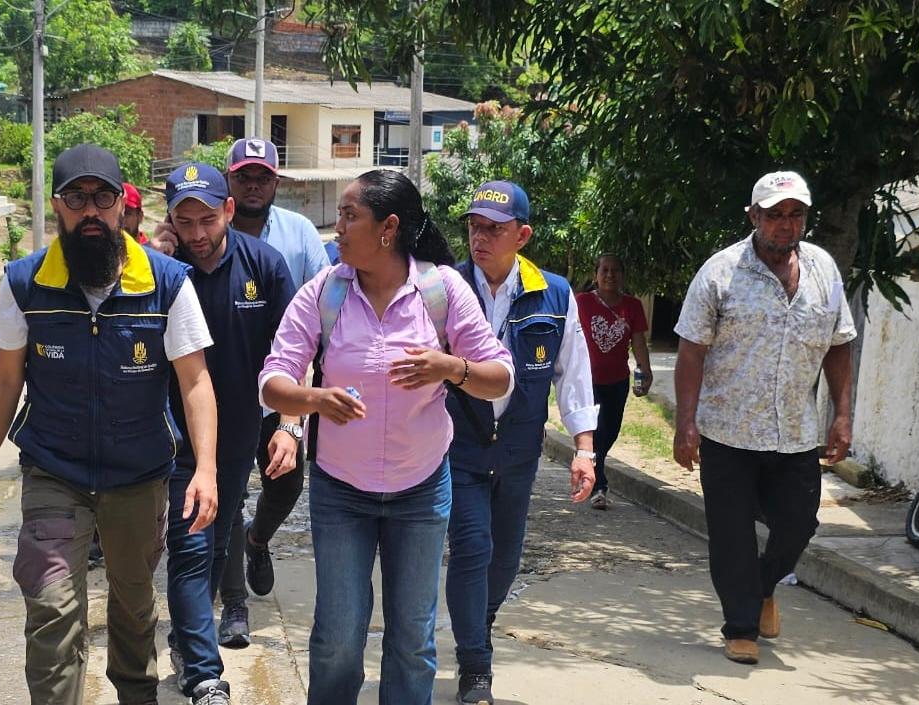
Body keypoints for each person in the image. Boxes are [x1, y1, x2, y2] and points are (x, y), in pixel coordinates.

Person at [0, 144, 221, 705]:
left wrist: (206, 469)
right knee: (51, 607)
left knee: (133, 605)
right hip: (54, 470)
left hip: (139, 475)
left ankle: (137, 695)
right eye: (76, 199)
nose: (90, 212)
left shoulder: (167, 282)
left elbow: (195, 381)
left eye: (102, 198)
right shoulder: (25, 283)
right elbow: (5, 382)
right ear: (56, 205)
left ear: (122, 206)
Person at [260, 170, 513, 704]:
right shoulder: (324, 292)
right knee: (337, 637)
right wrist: (314, 399)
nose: (338, 228)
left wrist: (451, 367)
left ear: (388, 228)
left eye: (350, 216)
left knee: (413, 640)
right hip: (340, 491)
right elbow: (273, 379)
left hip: (422, 490)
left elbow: (500, 378)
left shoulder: (442, 291)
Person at [672, 171, 856, 665]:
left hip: (795, 432)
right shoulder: (720, 272)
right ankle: (741, 627)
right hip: (727, 431)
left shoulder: (823, 271)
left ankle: (764, 587)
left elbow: (839, 345)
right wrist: (686, 422)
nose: (785, 224)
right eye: (774, 215)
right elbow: (691, 350)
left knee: (799, 524)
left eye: (795, 214)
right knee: (731, 535)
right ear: (754, 216)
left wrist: (842, 415)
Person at [444, 180, 599, 705]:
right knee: (472, 548)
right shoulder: (444, 289)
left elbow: (573, 375)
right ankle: (475, 666)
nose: (480, 238)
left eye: (494, 229)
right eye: (474, 227)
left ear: (523, 235)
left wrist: (584, 449)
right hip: (458, 447)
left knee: (506, 559)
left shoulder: (553, 294)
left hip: (518, 452)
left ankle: (479, 625)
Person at [160, 162, 295, 704]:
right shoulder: (159, 269)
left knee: (215, 542)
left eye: (208, 220)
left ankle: (185, 637)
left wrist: (289, 425)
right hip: (172, 432)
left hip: (239, 430)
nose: (196, 234)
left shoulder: (265, 265)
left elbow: (294, 351)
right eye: (184, 221)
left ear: (230, 211)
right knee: (191, 542)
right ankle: (202, 670)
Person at [214, 137, 333, 645]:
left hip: (281, 389)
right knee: (227, 495)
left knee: (286, 485)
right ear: (229, 181)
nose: (253, 186)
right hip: (220, 390)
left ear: (276, 182)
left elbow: (324, 310)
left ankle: (257, 539)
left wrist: (294, 415)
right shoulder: (206, 232)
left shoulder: (299, 233)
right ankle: (234, 606)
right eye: (243, 176)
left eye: (262, 177)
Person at [574, 253, 653, 510]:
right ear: (595, 275)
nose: (610, 275)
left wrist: (645, 369)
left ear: (623, 275)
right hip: (587, 381)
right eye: (604, 270)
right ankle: (599, 486)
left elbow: (638, 341)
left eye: (615, 270)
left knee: (611, 432)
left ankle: (588, 464)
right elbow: (569, 337)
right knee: (597, 432)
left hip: (617, 381)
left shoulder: (632, 306)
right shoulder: (582, 302)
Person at [121, 182, 152, 247]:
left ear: (140, 216)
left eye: (126, 213)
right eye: (116, 213)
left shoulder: (148, 250)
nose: (120, 219)